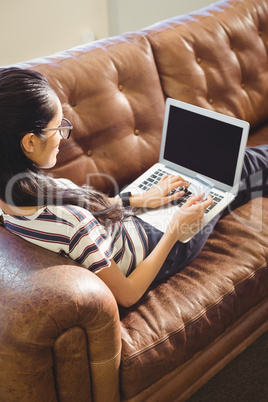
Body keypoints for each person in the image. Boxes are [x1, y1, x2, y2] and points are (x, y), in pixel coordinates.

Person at [0, 68, 267, 307]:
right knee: (236, 167)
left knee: (219, 176)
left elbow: (86, 220)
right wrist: (176, 228)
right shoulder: (72, 223)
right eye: (58, 127)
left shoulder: (10, 202)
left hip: (127, 223)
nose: (62, 136)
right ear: (30, 142)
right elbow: (128, 294)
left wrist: (137, 199)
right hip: (158, 246)